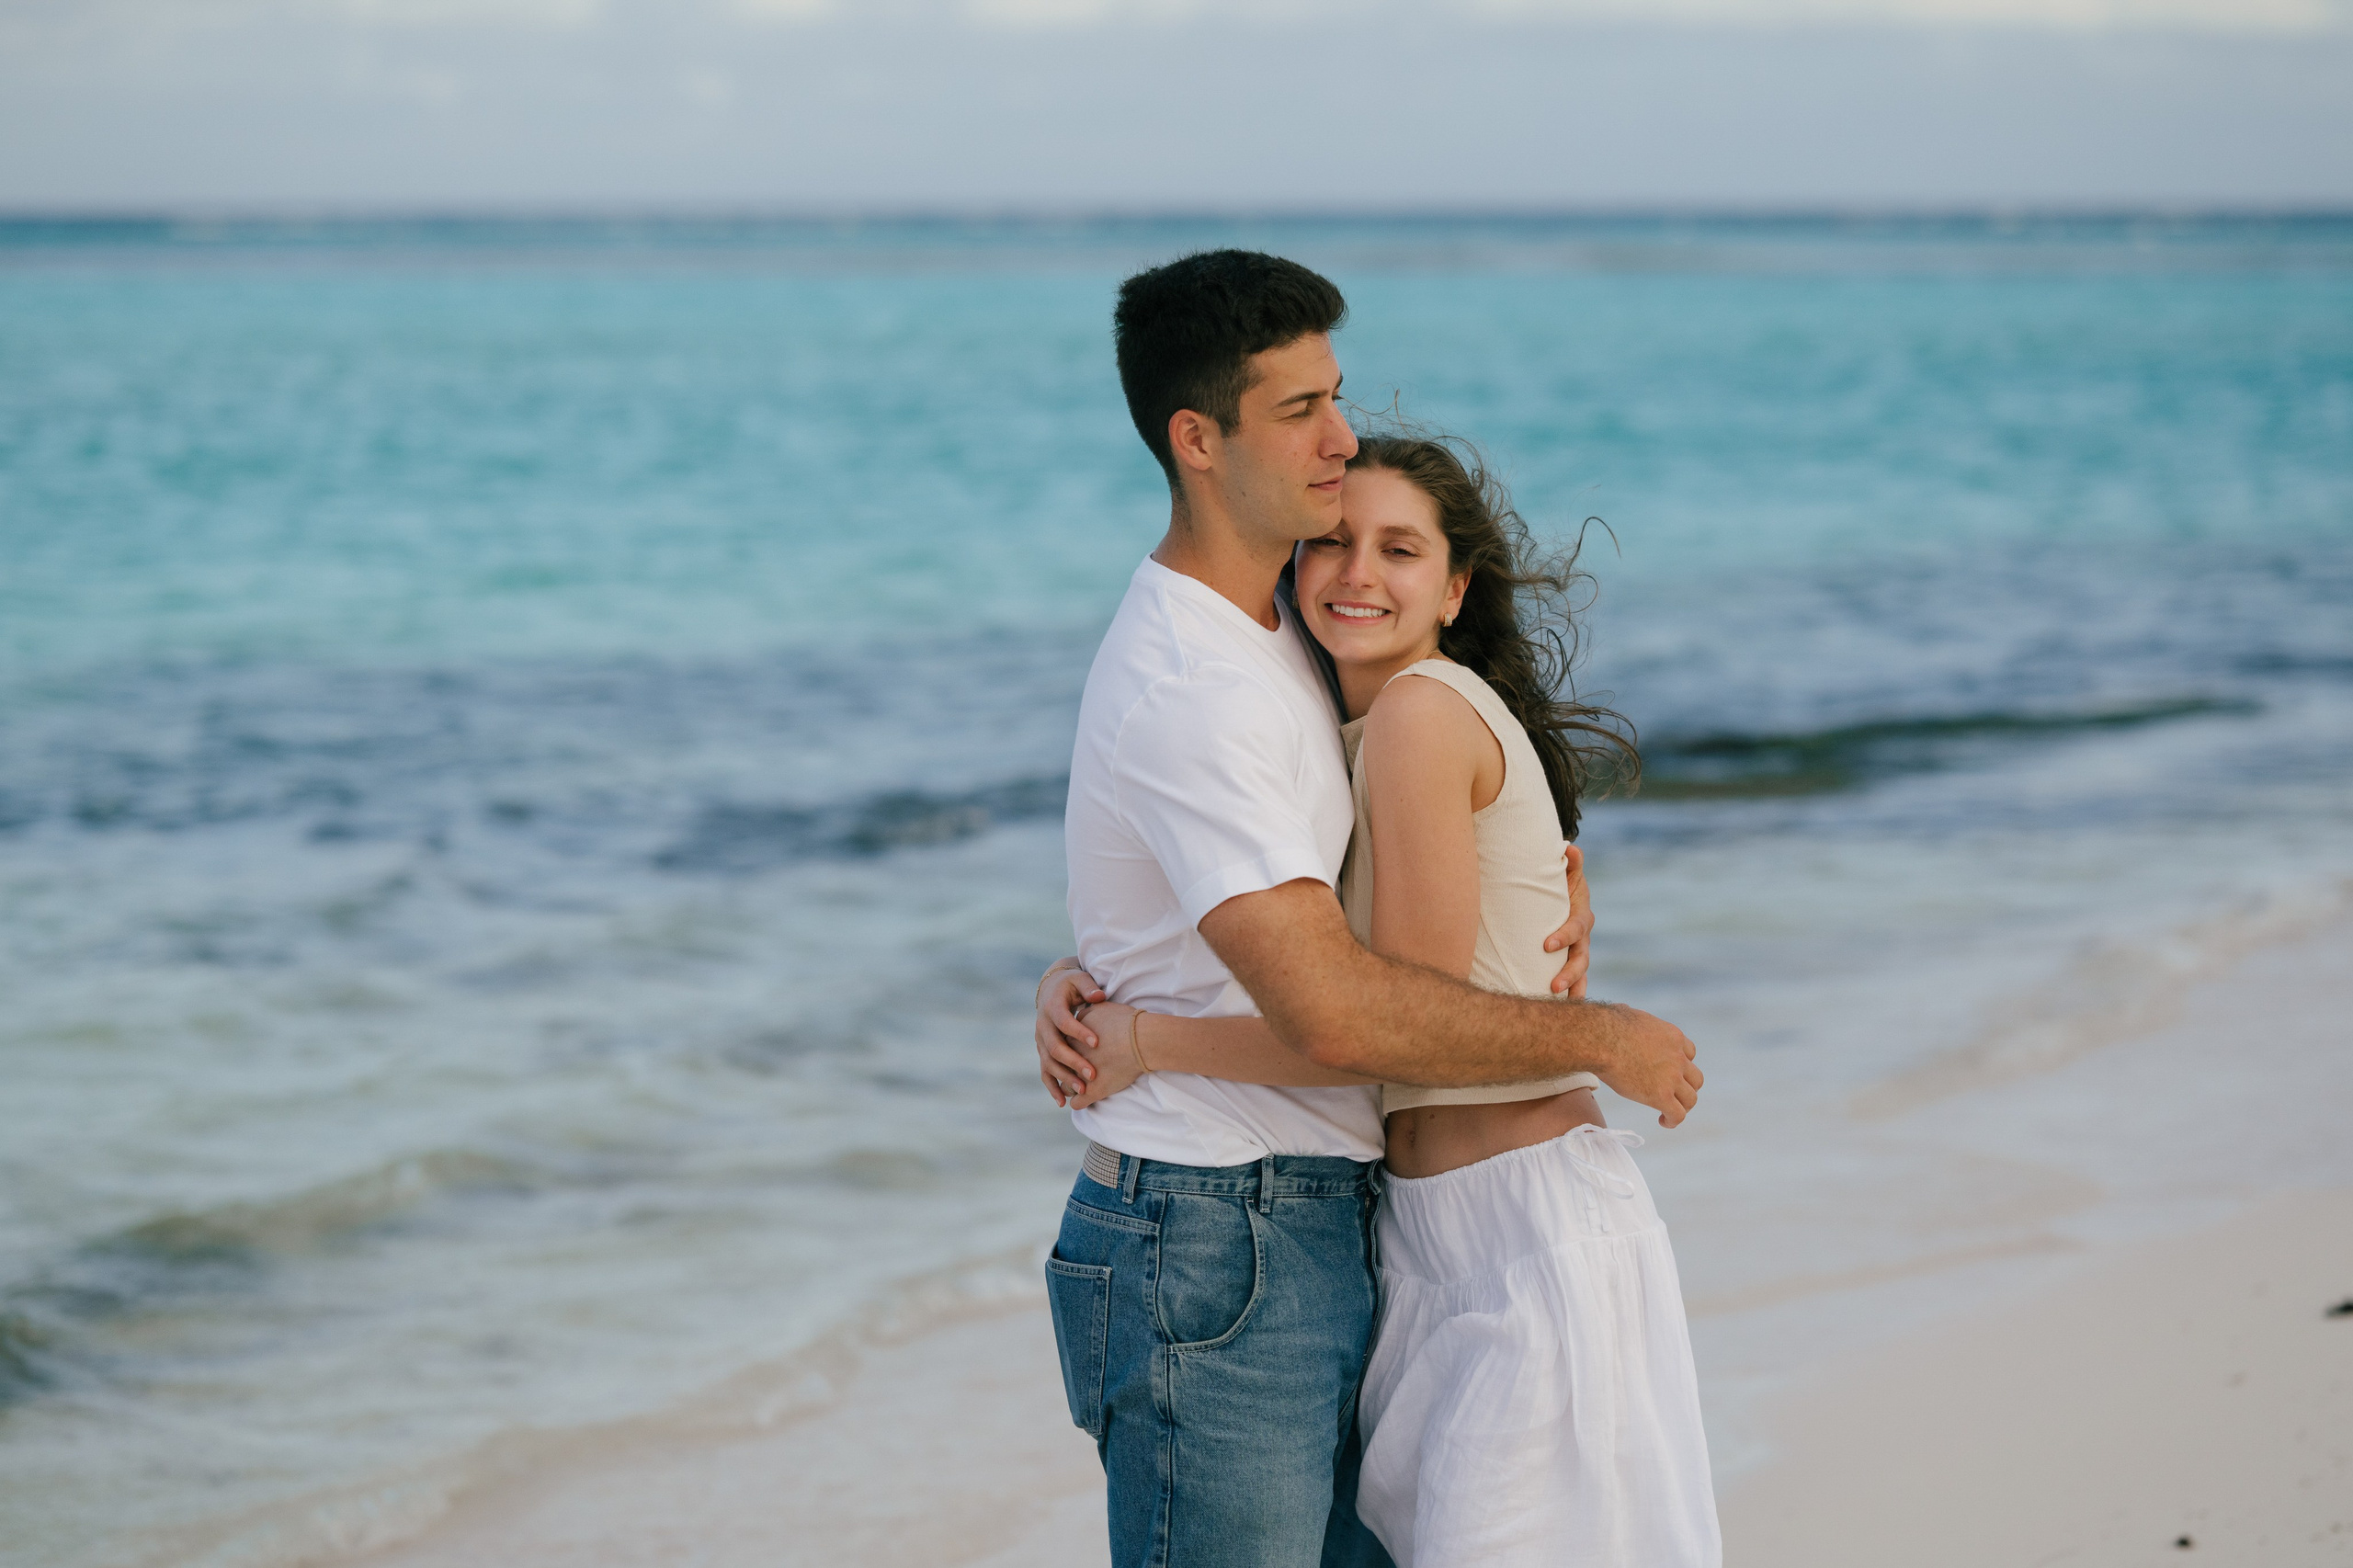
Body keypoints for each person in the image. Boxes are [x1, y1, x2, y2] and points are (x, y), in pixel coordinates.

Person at [1040, 247, 1703, 1568]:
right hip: (1219, 1227)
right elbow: (1346, 1012)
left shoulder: (1288, 639)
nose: (1340, 439)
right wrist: (1601, 1035)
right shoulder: (1202, 680)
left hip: (1332, 1223)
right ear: (1198, 440)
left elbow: (1347, 886)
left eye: (1335, 398)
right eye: (1302, 410)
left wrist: (1545, 869)